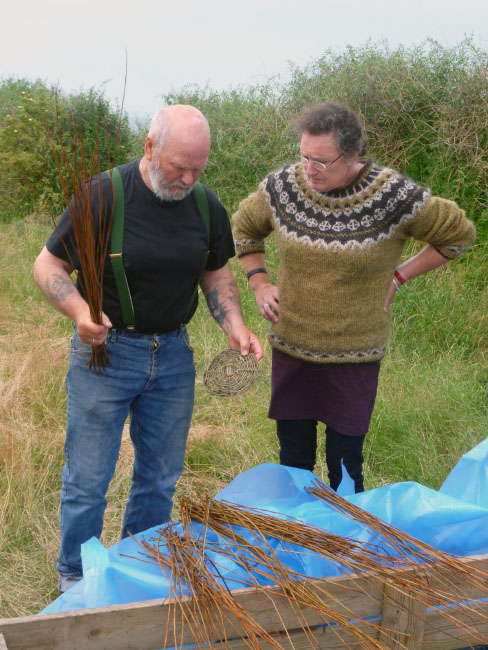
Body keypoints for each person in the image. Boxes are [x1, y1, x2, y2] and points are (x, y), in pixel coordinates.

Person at [34, 104, 263, 593]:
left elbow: (216, 270)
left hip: (174, 357)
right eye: (179, 166)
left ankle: (139, 566)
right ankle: (76, 579)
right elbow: (48, 265)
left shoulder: (206, 205)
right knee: (88, 479)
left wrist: (234, 324)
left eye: (198, 169)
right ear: (150, 147)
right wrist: (79, 312)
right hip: (106, 356)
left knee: (160, 477)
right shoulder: (103, 195)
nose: (186, 178)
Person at [232, 101, 475, 495]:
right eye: (304, 156)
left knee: (345, 467)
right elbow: (245, 226)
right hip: (292, 349)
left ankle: (345, 547)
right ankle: (297, 540)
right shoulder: (285, 187)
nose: (309, 170)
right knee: (293, 463)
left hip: (355, 356)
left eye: (322, 162)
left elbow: (459, 235)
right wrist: (259, 282)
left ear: (353, 155)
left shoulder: (392, 195)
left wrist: (399, 275)